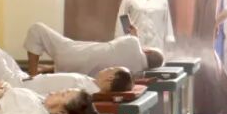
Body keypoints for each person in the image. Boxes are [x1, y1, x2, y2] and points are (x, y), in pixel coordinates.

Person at [0, 42, 133, 94]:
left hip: (16, 87)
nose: (107, 68)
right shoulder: (90, 83)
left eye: (111, 68)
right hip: (23, 78)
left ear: (110, 78)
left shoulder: (85, 91)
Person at [24, 22, 163, 78]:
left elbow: (129, 41)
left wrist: (135, 36)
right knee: (95, 61)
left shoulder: (133, 42)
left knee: (37, 29)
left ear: (148, 51)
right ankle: (44, 70)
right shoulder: (136, 74)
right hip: (75, 75)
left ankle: (32, 76)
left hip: (71, 52)